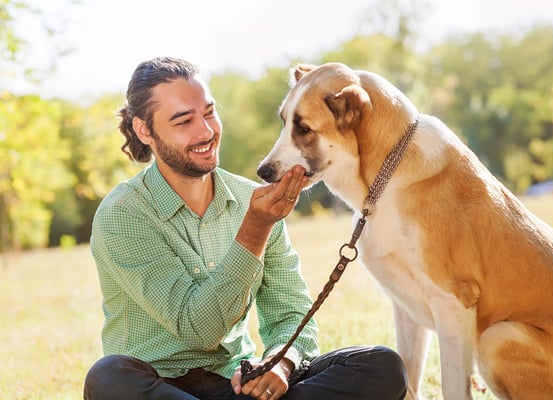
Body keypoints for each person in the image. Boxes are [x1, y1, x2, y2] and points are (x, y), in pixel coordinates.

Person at [83, 56, 408, 400]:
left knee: (380, 367)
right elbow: (198, 330)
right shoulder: (123, 214)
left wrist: (279, 362)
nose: (206, 132)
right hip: (162, 388)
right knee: (108, 378)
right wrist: (254, 228)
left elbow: (290, 313)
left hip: (239, 387)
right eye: (184, 121)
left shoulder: (248, 198)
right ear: (143, 130)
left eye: (208, 113)